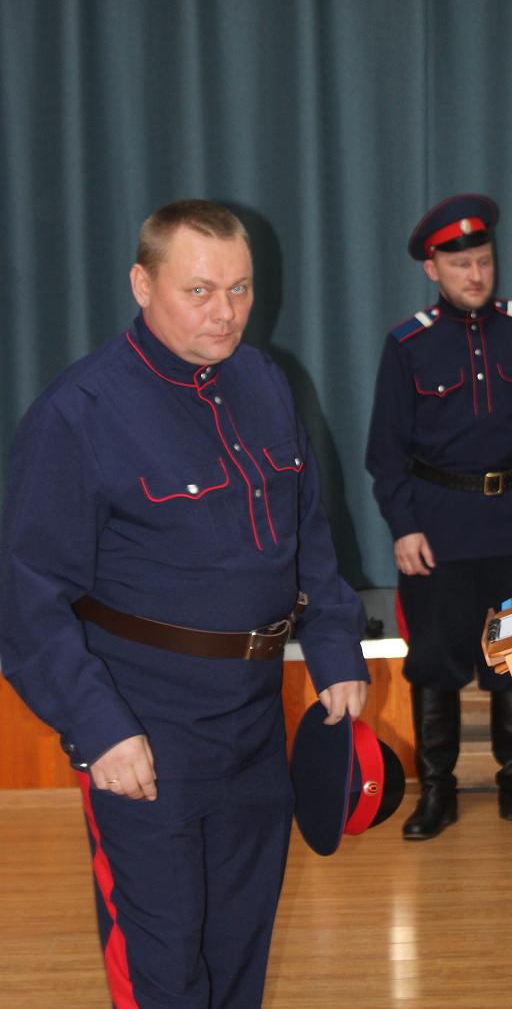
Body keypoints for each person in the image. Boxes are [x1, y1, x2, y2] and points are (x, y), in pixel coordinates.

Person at [0, 199, 369, 1008]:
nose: (225, 312)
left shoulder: (265, 382)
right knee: (163, 968)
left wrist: (336, 642)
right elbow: (27, 599)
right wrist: (98, 726)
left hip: (253, 720)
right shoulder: (77, 414)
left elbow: (308, 531)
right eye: (199, 290)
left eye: (240, 289)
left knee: (238, 953)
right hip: (145, 726)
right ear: (143, 284)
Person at [365, 194, 512, 841]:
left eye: (484, 261)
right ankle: (437, 793)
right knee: (435, 662)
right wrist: (404, 526)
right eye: (461, 266)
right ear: (433, 269)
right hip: (438, 525)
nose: (476, 275)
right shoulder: (409, 345)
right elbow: (386, 453)